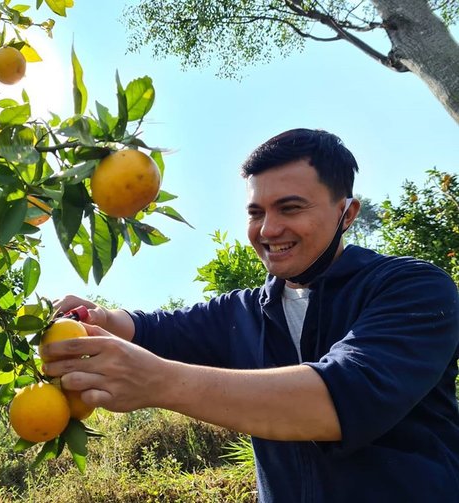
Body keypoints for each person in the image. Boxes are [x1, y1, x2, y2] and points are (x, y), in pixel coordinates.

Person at [41, 128, 459, 502]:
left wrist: (159, 382)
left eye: (290, 208)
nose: (268, 230)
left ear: (346, 214)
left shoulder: (413, 289)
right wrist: (103, 317)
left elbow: (339, 400)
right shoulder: (244, 311)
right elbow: (156, 328)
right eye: (256, 213)